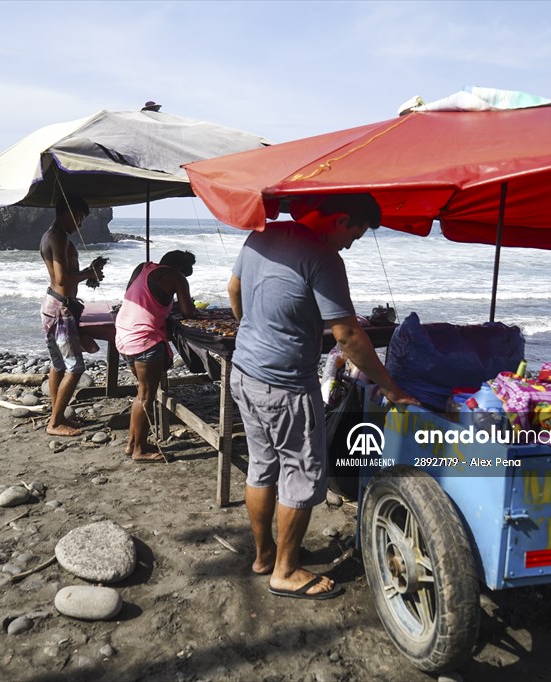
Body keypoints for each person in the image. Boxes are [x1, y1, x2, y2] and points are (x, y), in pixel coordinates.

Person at [227, 193, 421, 600]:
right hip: (285, 387)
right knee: (300, 476)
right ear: (340, 219)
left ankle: (264, 557)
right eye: (354, 234)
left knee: (262, 466)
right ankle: (285, 571)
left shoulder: (263, 233)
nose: (351, 244)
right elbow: (347, 335)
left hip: (244, 373)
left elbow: (234, 288)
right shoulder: (324, 258)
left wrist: (253, 332)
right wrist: (392, 389)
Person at [114, 250, 199, 461]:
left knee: (142, 393)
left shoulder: (141, 268)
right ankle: (138, 450)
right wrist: (189, 307)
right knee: (145, 396)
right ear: (180, 268)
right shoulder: (176, 277)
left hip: (125, 334)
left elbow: (139, 297)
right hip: (145, 339)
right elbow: (189, 313)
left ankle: (133, 444)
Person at [39, 195, 107, 437]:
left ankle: (56, 413)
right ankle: (55, 423)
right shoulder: (57, 237)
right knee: (75, 367)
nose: (79, 224)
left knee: (58, 365)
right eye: (79, 218)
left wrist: (88, 275)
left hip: (54, 304)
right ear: (68, 212)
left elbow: (67, 275)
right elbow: (61, 279)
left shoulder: (52, 235)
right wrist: (88, 272)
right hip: (60, 308)